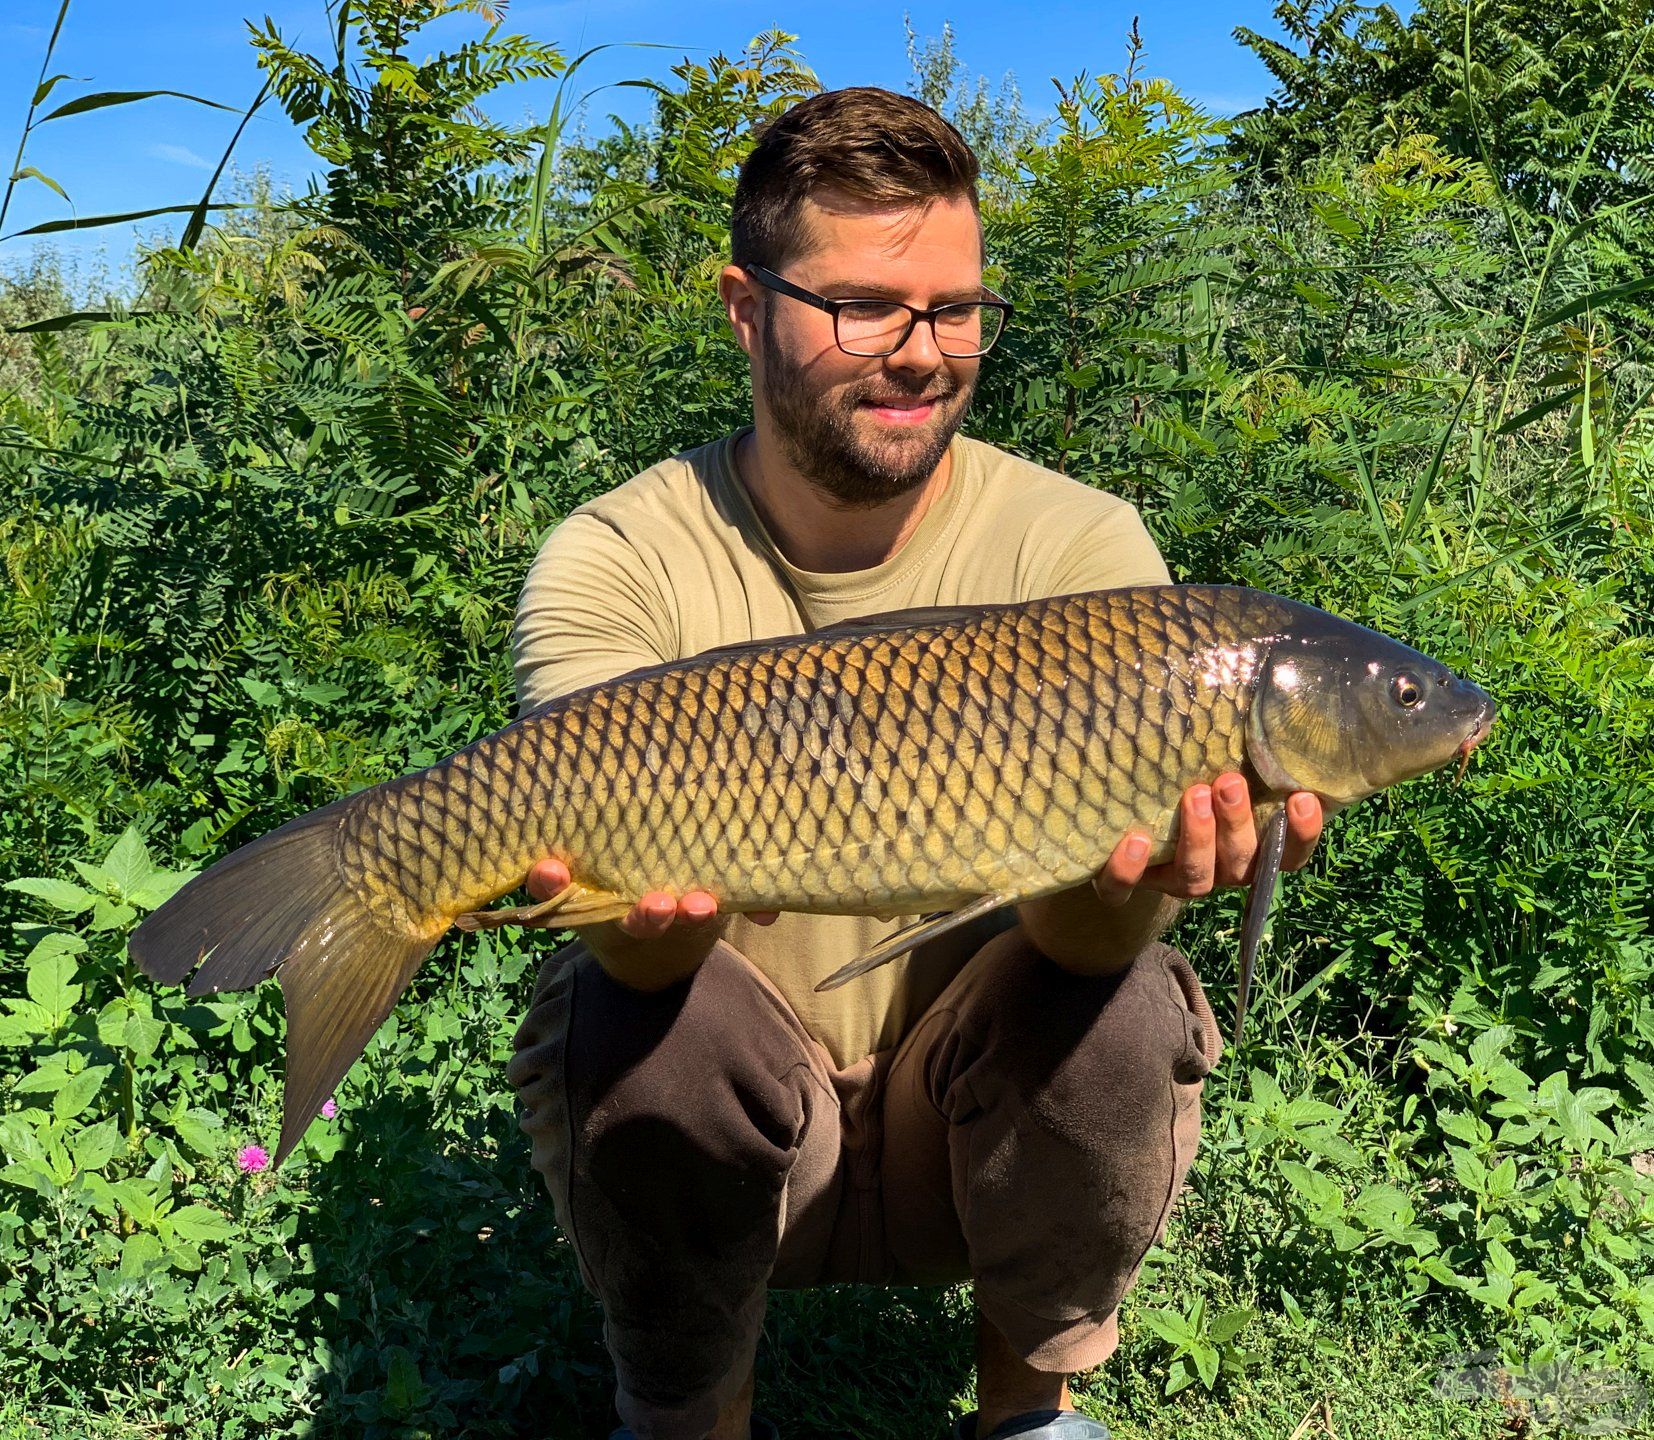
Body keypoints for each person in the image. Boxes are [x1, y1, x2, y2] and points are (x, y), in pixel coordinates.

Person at [504, 87, 1323, 1440]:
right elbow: (624, 935)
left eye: (954, 311)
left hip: (965, 1118)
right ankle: (685, 1416)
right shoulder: (618, 557)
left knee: (1122, 995)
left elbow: (1083, 935)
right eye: (867, 307)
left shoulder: (1081, 552)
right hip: (750, 1124)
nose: (921, 353)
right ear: (745, 306)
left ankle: (1029, 1417)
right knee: (631, 1013)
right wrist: (639, 930)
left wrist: (1133, 887)